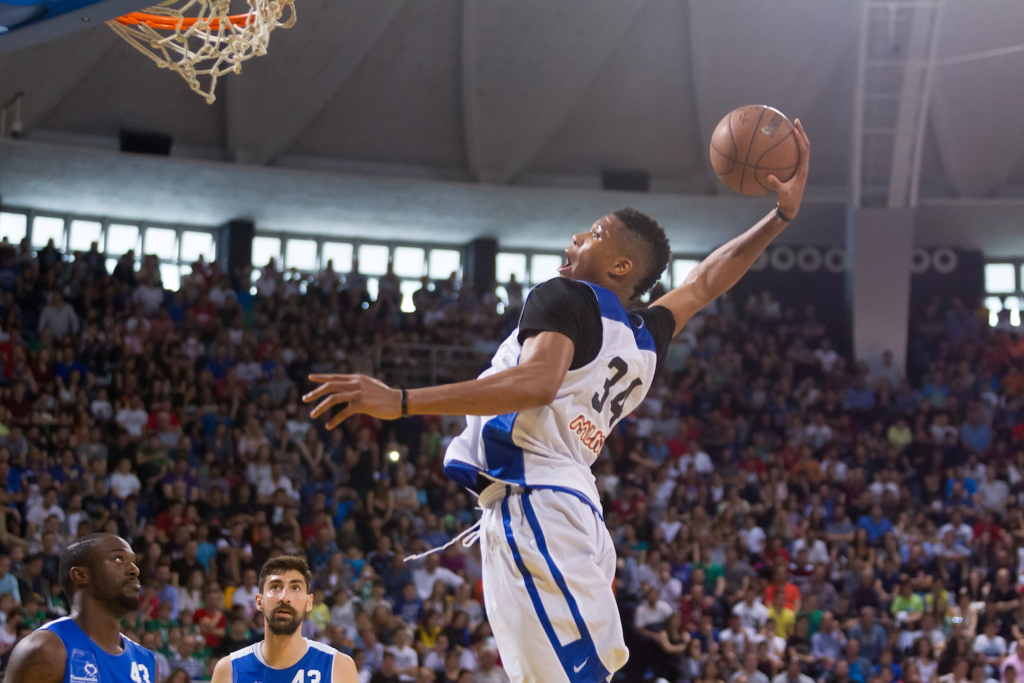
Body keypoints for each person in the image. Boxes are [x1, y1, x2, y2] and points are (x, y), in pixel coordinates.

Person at [304, 122, 812, 682]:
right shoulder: (645, 335)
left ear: (621, 267)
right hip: (564, 505)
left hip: (537, 501)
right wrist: (780, 217)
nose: (575, 240)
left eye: (593, 234)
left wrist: (400, 401)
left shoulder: (565, 296)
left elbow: (537, 383)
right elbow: (705, 283)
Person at [2, 533, 156, 683]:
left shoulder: (146, 660)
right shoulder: (46, 648)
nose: (135, 570)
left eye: (133, 562)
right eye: (119, 559)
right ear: (80, 575)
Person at [210, 555, 358, 683]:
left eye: (295, 588)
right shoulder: (228, 670)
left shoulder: (338, 667)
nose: (284, 597)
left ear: (309, 602)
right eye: (275, 587)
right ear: (259, 601)